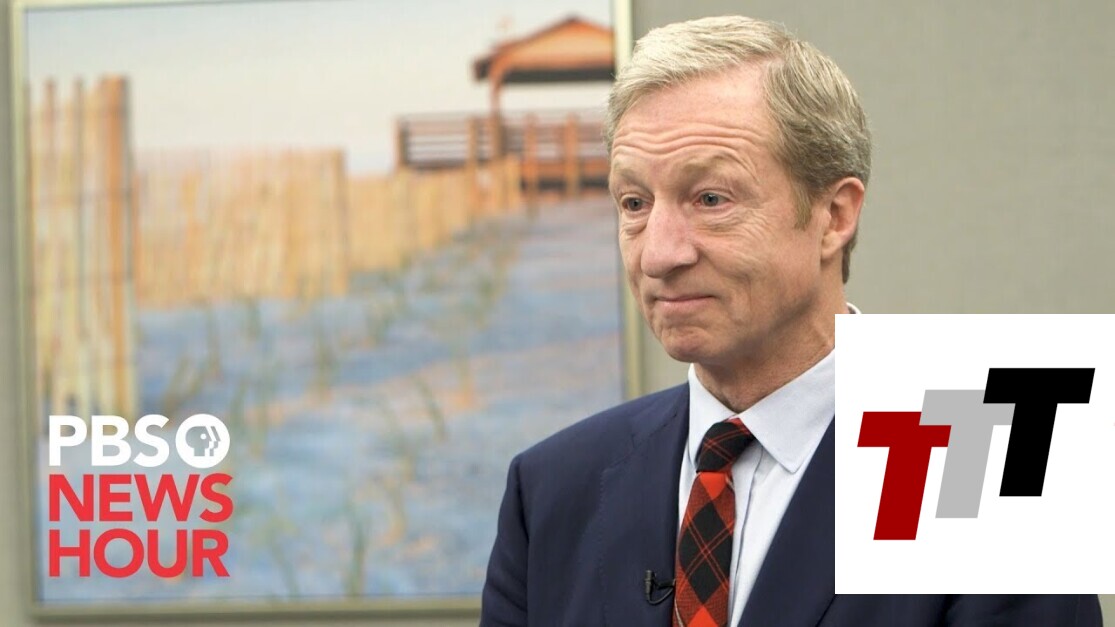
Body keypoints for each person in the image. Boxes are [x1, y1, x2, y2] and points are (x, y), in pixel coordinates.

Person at [480, 15, 1102, 627]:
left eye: (711, 199)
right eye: (634, 203)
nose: (658, 254)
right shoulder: (554, 488)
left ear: (834, 216)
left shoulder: (997, 448)